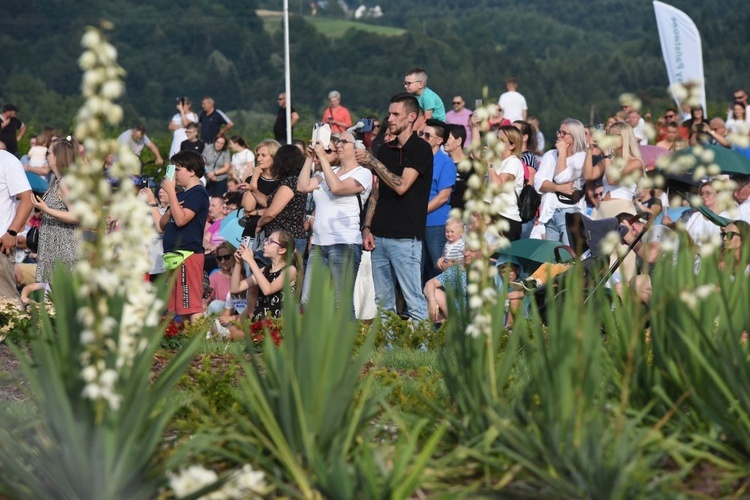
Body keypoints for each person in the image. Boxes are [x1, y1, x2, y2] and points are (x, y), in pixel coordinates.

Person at [355, 93, 433, 322]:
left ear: (411, 117)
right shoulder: (385, 150)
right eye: (389, 113)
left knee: (413, 300)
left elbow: (401, 185)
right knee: (383, 302)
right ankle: (389, 354)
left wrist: (372, 162)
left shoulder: (421, 149)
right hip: (380, 235)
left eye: (395, 114)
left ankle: (423, 354)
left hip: (406, 237)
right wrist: (367, 226)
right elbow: (377, 191)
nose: (390, 118)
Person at [297, 130, 372, 304]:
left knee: (341, 303)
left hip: (344, 244)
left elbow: (337, 187)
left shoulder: (363, 173)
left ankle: (349, 332)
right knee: (308, 301)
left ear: (356, 148)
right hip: (318, 245)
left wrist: (322, 157)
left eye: (343, 141)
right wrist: (309, 157)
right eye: (337, 141)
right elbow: (302, 186)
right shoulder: (328, 173)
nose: (338, 145)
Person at [159, 150, 210, 321]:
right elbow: (162, 225)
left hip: (187, 254)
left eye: (177, 169)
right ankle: (187, 339)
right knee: (178, 306)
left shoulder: (198, 193)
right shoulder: (180, 194)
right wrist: (170, 209)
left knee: (191, 304)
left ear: (191, 171)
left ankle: (202, 342)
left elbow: (181, 220)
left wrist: (171, 193)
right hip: (174, 254)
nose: (174, 175)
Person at [30, 137, 83, 284]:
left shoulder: (65, 182)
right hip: (56, 247)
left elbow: (76, 216)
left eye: (49, 152)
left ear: (57, 156)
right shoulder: (59, 181)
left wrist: (46, 209)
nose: (46, 156)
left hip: (64, 247)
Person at [534, 119, 588, 245]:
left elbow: (561, 177)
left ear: (575, 137)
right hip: (549, 212)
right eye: (559, 132)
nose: (559, 136)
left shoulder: (581, 158)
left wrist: (563, 152)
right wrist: (559, 188)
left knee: (570, 256)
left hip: (570, 212)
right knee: (551, 258)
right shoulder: (550, 155)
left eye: (563, 133)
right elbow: (538, 183)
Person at [232, 230, 302, 322]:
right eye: (266, 240)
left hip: (279, 326)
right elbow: (235, 288)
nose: (265, 243)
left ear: (282, 250)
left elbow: (268, 290)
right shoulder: (265, 270)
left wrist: (251, 260)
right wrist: (238, 263)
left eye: (270, 241)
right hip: (260, 323)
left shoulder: (290, 270)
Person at [255, 145, 308, 255]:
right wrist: (252, 189)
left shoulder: (291, 182)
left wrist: (259, 223)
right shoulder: (294, 181)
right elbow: (267, 201)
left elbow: (272, 212)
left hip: (285, 240)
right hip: (288, 238)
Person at [422, 119, 456, 281]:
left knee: (438, 267)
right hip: (417, 222)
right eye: (421, 133)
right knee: (418, 267)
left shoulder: (445, 162)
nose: (423, 137)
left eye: (427, 135)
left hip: (436, 222)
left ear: (439, 140)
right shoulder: (419, 160)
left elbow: (443, 196)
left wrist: (419, 212)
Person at [0, 150, 33, 300]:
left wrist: (12, 233)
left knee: (7, 301)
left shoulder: (7, 161)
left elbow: (27, 200)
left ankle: (20, 324)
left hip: (1, 242)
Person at [487, 125, 525, 241]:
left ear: (512, 145)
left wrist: (490, 165)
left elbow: (498, 185)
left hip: (506, 217)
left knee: (500, 258)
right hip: (493, 215)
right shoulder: (498, 162)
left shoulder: (514, 163)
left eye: (501, 140)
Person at [241, 140, 282, 244]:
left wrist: (257, 212)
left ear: (274, 156)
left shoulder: (283, 181)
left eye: (263, 155)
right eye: (258, 155)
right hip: (252, 233)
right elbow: (248, 207)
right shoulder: (251, 179)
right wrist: (254, 178)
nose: (259, 159)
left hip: (276, 236)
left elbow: (279, 209)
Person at [206, 241, 237, 316]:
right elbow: (206, 297)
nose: (223, 261)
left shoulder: (243, 275)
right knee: (215, 305)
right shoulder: (214, 277)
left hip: (240, 315)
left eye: (226, 257)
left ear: (234, 256)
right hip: (222, 315)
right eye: (220, 258)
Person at [445, 124, 469, 212]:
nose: (444, 141)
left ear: (459, 141)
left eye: (448, 137)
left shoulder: (471, 165)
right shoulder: (443, 162)